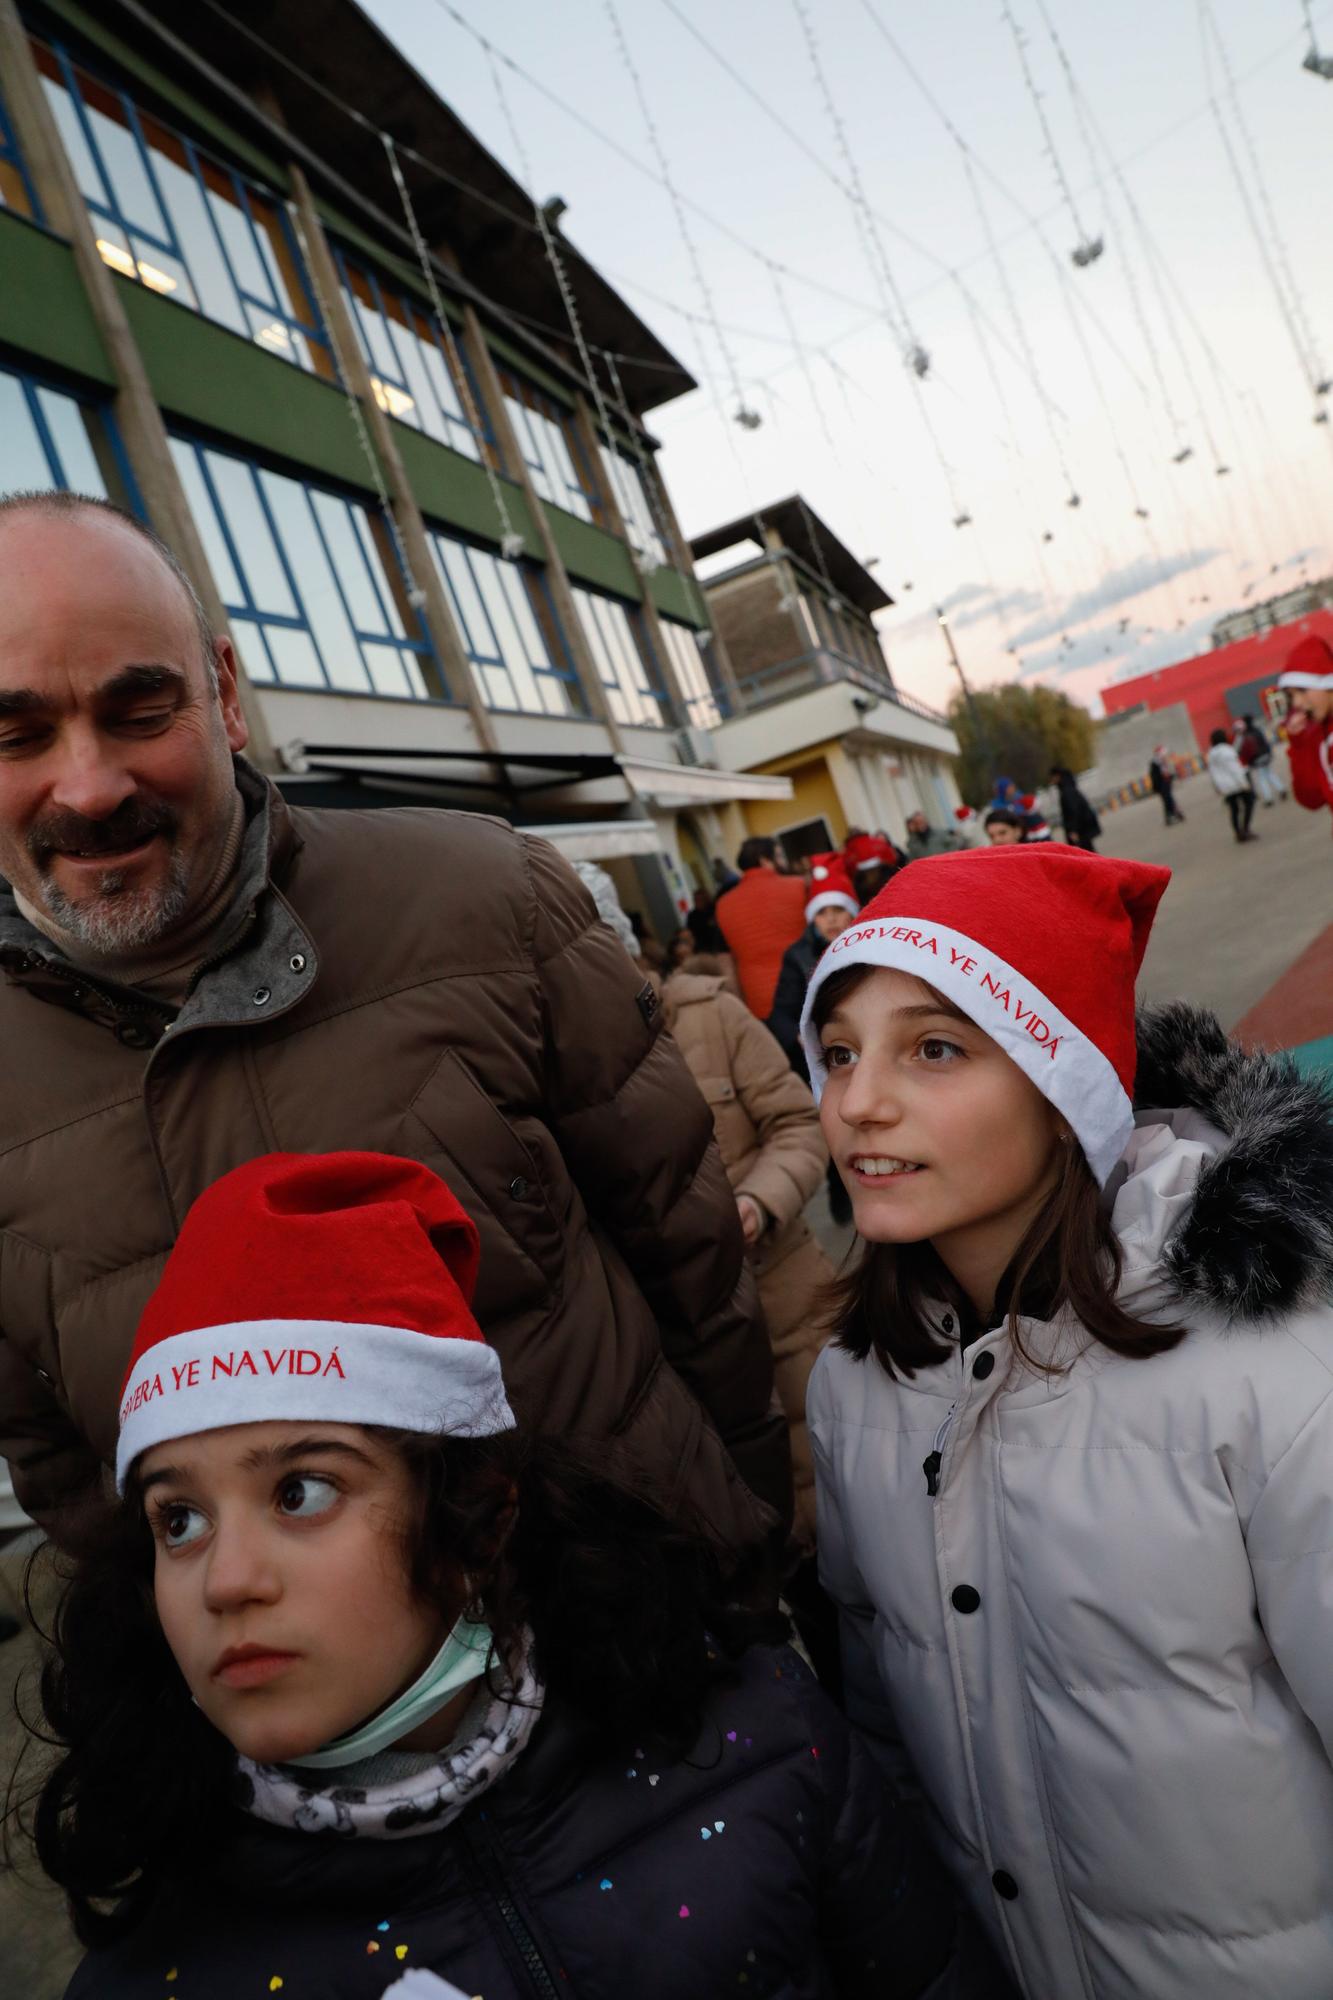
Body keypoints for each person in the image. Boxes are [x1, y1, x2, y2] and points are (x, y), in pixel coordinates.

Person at [0, 493, 788, 1565]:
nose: (89, 786)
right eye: (16, 734)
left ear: (225, 697)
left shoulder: (493, 896)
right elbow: (53, 1456)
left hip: (651, 1653)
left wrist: (749, 1554)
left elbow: (691, 1265)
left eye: (140, 712)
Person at [24, 1150, 1008, 2000]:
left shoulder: (756, 1738)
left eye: (302, 1490)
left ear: (479, 1513)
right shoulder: (161, 1965)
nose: (225, 1579)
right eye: (178, 1517)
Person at [799, 847, 1333, 1999]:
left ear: (1062, 1083)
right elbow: (878, 1724)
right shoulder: (849, 1388)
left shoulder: (1270, 1365)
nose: (857, 1101)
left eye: (933, 1047)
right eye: (837, 1051)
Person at [660, 967, 835, 1559]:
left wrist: (760, 1199)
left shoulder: (713, 1016)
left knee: (843, 1472)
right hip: (683, 1339)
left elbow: (798, 1121)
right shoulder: (555, 1057)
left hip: (787, 1298)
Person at [713, 834, 807, 1019]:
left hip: (760, 1001)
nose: (783, 862)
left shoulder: (723, 904)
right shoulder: (799, 886)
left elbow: (726, 962)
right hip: (806, 986)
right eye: (779, 856)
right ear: (765, 860)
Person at [1279, 641, 1333, 828]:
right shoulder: (1318, 736)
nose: (1297, 703)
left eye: (1302, 690)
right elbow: (1311, 799)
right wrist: (1299, 746)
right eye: (1291, 695)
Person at [1206, 726, 1258, 842]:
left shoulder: (1211, 754)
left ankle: (1238, 833)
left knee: (1234, 809)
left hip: (1225, 786)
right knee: (1249, 802)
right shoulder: (1227, 750)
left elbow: (1212, 773)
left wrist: (1216, 786)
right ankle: (1246, 828)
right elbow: (1235, 769)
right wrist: (1244, 783)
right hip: (1236, 783)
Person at [1235, 714, 1286, 806]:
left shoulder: (1245, 735)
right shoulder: (1258, 730)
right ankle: (1281, 789)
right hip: (1265, 755)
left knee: (1262, 778)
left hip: (1256, 759)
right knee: (1270, 773)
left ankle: (1268, 799)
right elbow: (1266, 742)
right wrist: (1270, 753)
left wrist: (1249, 761)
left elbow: (1243, 750)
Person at [1047, 766, 1100, 851]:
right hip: (1083, 827)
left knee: (1085, 852)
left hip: (1080, 829)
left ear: (1057, 776)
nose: (1051, 780)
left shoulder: (1066, 791)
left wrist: (1073, 830)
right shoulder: (1069, 786)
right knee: (1088, 851)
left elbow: (1073, 811)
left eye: (1052, 777)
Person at [1148, 745, 1185, 826]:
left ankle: (1173, 815)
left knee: (1169, 800)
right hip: (1161, 785)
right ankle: (1174, 815)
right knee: (1168, 800)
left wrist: (1172, 777)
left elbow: (1168, 772)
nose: (1165, 755)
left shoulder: (1162, 762)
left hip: (1166, 783)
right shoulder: (1156, 763)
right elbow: (1156, 776)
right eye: (1163, 754)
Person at [685, 885, 726, 954]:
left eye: (700, 900)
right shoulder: (692, 916)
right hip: (703, 947)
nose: (698, 902)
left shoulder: (715, 909)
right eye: (696, 900)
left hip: (719, 943)